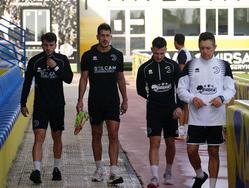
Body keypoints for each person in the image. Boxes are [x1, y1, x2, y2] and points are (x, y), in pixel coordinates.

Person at [177, 32, 236, 188]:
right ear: (199, 47)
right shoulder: (191, 65)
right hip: (196, 118)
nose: (205, 51)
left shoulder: (224, 65)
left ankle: (212, 186)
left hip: (216, 118)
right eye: (202, 48)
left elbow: (231, 89)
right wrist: (192, 98)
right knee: (191, 150)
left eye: (208, 48)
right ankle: (200, 174)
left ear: (215, 47)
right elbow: (181, 89)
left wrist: (222, 99)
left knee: (213, 153)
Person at [76, 23, 128, 185]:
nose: (105, 38)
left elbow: (120, 78)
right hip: (95, 102)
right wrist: (80, 99)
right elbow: (84, 79)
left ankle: (113, 171)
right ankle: (99, 169)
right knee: (96, 135)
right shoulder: (88, 55)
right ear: (97, 36)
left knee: (113, 134)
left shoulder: (117, 55)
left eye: (107, 35)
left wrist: (125, 99)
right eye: (102, 35)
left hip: (112, 101)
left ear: (111, 37)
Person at [20, 32, 73, 184]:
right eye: (45, 45)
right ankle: (36, 170)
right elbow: (27, 82)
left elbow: (69, 79)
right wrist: (22, 103)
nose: (48, 48)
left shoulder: (62, 60)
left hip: (57, 105)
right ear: (42, 45)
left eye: (51, 45)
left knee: (57, 137)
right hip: (40, 106)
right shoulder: (35, 61)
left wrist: (55, 67)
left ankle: (57, 168)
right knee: (39, 137)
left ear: (55, 45)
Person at [136, 36, 183, 188]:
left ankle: (168, 172)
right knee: (154, 142)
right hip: (154, 111)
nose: (159, 56)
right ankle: (154, 177)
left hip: (171, 111)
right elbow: (140, 89)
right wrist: (152, 97)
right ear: (152, 50)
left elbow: (181, 88)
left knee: (170, 143)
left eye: (162, 53)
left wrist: (179, 107)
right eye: (156, 53)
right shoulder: (144, 68)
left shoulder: (173, 66)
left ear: (165, 51)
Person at [174, 33, 192, 139]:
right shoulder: (186, 52)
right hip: (188, 83)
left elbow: (181, 69)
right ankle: (185, 131)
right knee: (186, 108)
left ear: (175, 42)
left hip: (183, 84)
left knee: (180, 107)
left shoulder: (182, 53)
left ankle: (181, 132)